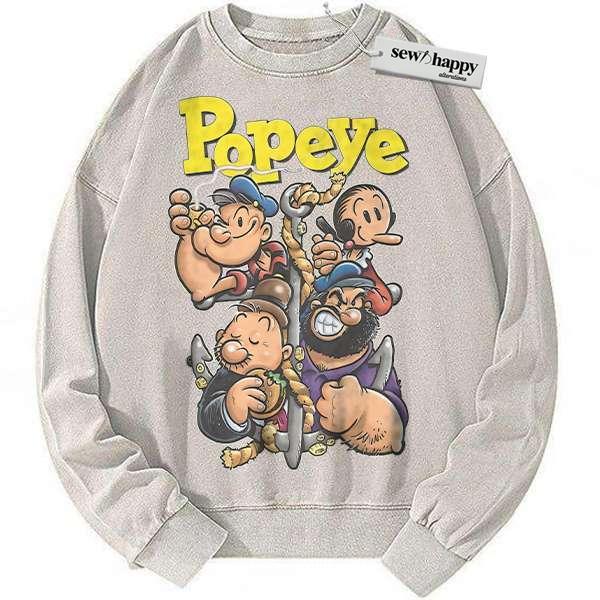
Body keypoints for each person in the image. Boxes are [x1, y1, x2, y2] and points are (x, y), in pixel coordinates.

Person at [299, 263, 408, 455]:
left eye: (355, 303)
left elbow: (395, 434)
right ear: (316, 306)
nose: (342, 311)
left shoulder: (372, 369)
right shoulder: (286, 345)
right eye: (335, 300)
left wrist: (362, 412)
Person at [169, 175, 288, 307]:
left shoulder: (286, 264)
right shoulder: (253, 271)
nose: (220, 232)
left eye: (240, 222)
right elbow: (238, 280)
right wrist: (188, 241)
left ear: (264, 232)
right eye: (221, 222)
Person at [311, 184, 403, 315]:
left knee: (379, 302)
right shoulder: (346, 256)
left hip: (377, 300)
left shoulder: (362, 260)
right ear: (347, 227)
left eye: (378, 215)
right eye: (367, 217)